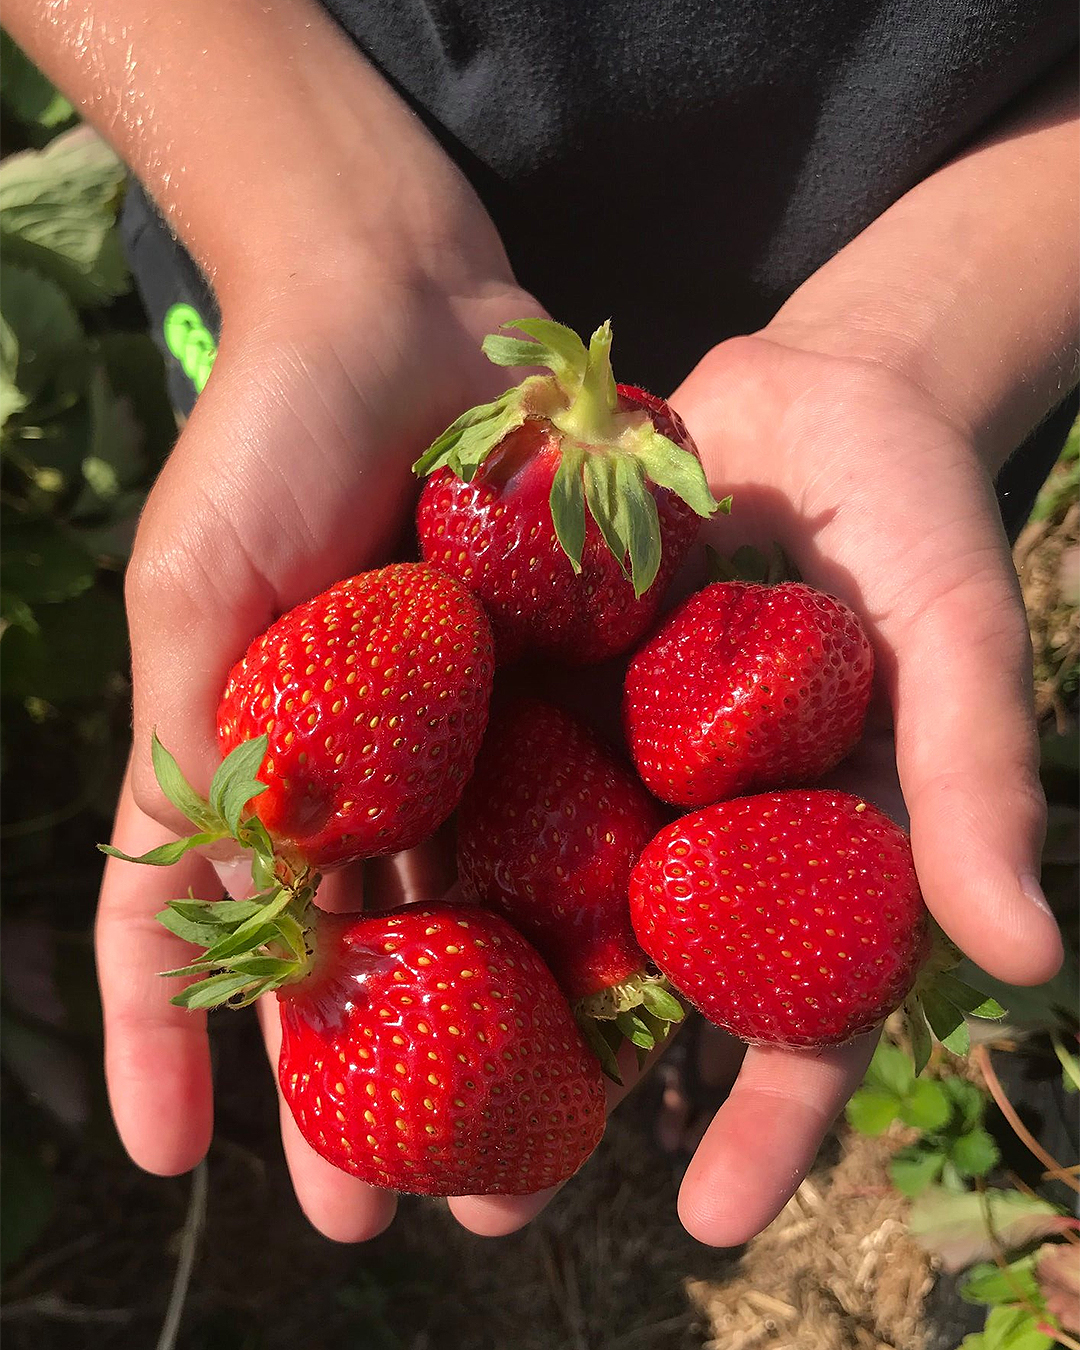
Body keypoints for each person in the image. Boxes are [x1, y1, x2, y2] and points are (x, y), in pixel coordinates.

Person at [7, 0, 1075, 1248]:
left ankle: (622, 979)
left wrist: (929, 349)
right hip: (291, 213)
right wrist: (324, 231)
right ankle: (626, 982)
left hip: (887, 296)